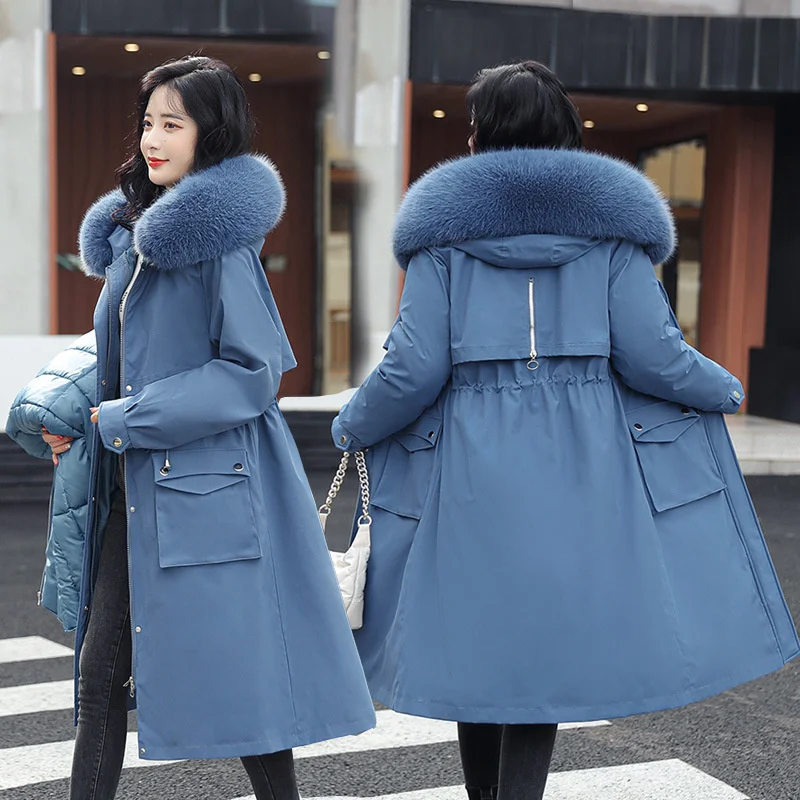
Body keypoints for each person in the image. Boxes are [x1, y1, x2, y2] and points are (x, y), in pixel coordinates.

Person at [331, 61, 799, 800]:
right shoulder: (613, 242)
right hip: (586, 470)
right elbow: (654, 356)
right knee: (544, 656)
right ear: (566, 133)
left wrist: (352, 422)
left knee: (479, 650)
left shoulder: (440, 245)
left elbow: (412, 368)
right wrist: (724, 387)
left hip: (470, 471)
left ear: (482, 137)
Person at [25, 55, 375, 800]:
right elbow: (124, 354)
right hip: (134, 483)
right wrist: (76, 416)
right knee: (100, 677)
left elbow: (253, 372)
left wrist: (124, 419)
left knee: (240, 678)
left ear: (209, 133)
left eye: (172, 124)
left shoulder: (218, 242)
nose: (153, 139)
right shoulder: (136, 235)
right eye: (148, 122)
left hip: (209, 491)